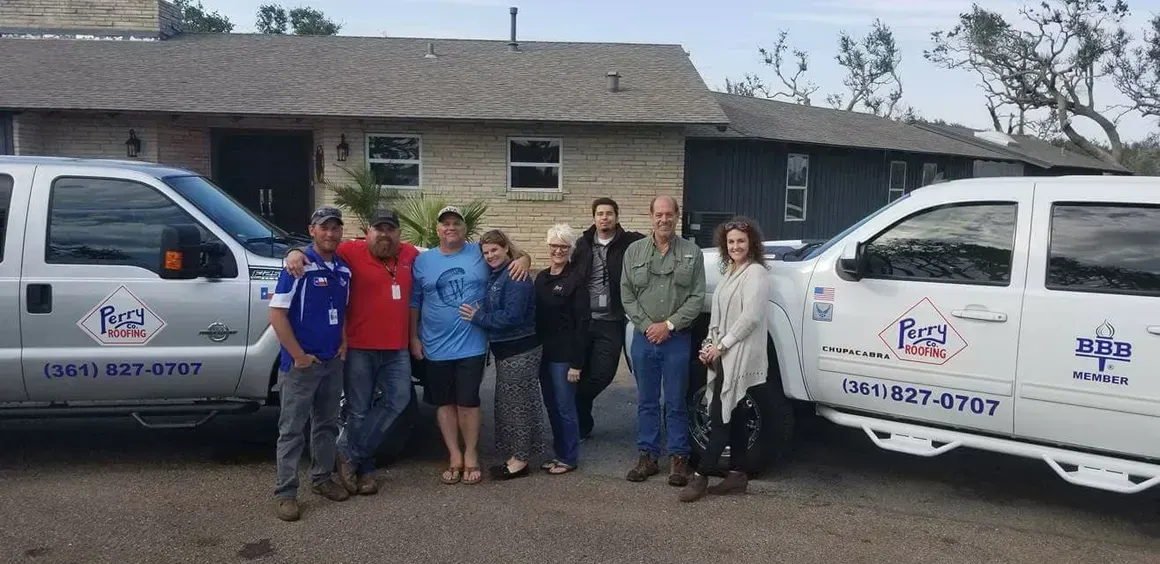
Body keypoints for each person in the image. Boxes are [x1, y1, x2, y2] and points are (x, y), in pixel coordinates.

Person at [284, 209, 418, 496]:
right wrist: (293, 251)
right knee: (358, 411)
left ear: (399, 234)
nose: (384, 234)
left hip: (397, 348)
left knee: (398, 400)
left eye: (390, 229)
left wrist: (522, 258)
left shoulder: (409, 254)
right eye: (379, 229)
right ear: (367, 232)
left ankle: (348, 452)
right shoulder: (350, 251)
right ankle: (365, 468)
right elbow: (319, 244)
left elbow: (449, 251)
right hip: (359, 346)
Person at [411, 205, 531, 486]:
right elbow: (414, 301)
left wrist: (524, 259)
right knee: (444, 403)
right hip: (435, 344)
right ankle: (454, 455)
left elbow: (508, 253)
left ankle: (472, 454)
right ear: (437, 230)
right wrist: (412, 337)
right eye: (445, 224)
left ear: (465, 229)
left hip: (472, 343)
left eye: (456, 223)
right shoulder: (423, 261)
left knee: (468, 401)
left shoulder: (478, 252)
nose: (450, 228)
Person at [268, 206, 354, 522]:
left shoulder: (343, 271)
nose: (330, 233)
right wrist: (299, 355)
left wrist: (343, 341)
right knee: (291, 430)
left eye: (335, 228)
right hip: (302, 364)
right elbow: (276, 315)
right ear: (312, 230)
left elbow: (340, 312)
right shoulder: (297, 267)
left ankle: (321, 479)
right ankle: (286, 494)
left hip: (332, 361)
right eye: (324, 227)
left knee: (327, 424)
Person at [680, 216, 770, 502]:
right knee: (739, 412)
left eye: (741, 241)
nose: (735, 246)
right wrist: (709, 344)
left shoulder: (756, 273)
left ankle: (701, 475)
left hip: (740, 354)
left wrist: (722, 346)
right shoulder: (731, 271)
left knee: (721, 415)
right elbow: (718, 317)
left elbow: (751, 317)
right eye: (730, 242)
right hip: (723, 352)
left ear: (751, 243)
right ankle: (737, 475)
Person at [620, 195, 706, 487]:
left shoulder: (692, 253)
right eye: (659, 214)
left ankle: (678, 459)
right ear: (651, 216)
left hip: (677, 338)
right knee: (646, 400)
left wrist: (668, 325)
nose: (664, 219)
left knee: (676, 401)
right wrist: (647, 327)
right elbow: (627, 295)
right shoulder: (634, 252)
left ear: (677, 216)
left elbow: (696, 298)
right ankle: (647, 456)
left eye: (669, 214)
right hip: (644, 339)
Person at [458, 229, 544, 480]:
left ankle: (521, 461)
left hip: (521, 350)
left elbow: (512, 317)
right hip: (508, 353)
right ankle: (517, 456)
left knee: (518, 407)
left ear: (506, 248)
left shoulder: (515, 275)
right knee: (509, 405)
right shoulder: (499, 274)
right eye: (485, 252)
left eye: (494, 250)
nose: (490, 255)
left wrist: (478, 317)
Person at [569, 197, 645, 440]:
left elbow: (658, 242)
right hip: (583, 319)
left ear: (616, 216)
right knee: (582, 370)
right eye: (600, 214)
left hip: (611, 320)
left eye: (609, 213)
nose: (604, 218)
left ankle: (579, 401)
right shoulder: (581, 244)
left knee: (602, 373)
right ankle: (581, 427)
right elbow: (559, 257)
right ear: (594, 217)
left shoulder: (630, 241)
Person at [533, 223, 589, 475]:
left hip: (565, 357)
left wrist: (577, 364)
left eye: (563, 246)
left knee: (565, 407)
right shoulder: (542, 278)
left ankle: (569, 457)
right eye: (554, 245)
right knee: (551, 406)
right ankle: (557, 453)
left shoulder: (575, 280)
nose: (558, 250)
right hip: (543, 354)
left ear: (570, 249)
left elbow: (583, 324)